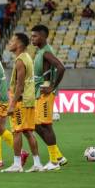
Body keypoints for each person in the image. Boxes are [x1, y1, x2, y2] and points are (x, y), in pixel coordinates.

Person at [1, 33, 43, 173]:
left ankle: (17, 164)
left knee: (17, 131)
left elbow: (19, 85)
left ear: (19, 44)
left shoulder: (20, 60)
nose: (10, 43)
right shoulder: (27, 58)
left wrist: (12, 104)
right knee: (28, 132)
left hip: (21, 101)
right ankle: (37, 163)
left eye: (12, 40)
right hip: (29, 100)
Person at [31, 25, 67, 169]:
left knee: (45, 126)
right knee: (35, 124)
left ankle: (54, 162)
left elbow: (61, 67)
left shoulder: (46, 52)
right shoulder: (40, 52)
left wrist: (52, 86)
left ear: (43, 37)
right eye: (31, 36)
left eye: (35, 36)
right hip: (39, 93)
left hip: (45, 94)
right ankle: (58, 155)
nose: (32, 38)